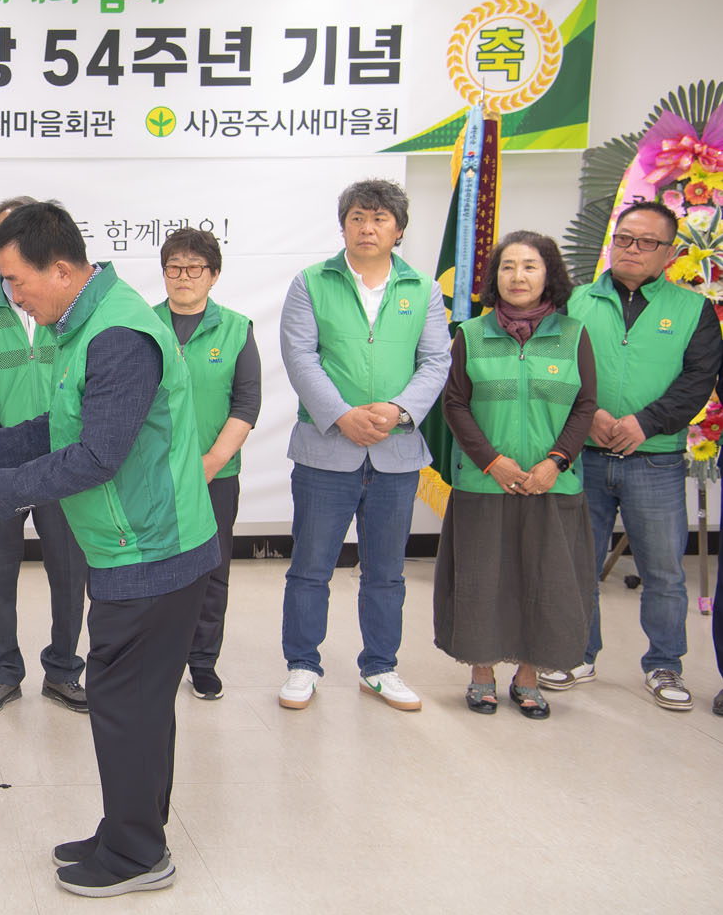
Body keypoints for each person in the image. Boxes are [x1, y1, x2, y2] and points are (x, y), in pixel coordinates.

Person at [0, 201, 219, 898]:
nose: (13, 296)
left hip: (152, 551)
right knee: (137, 707)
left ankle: (136, 856)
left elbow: (97, 455)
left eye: (17, 280)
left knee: (126, 706)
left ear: (61, 270)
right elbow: (65, 423)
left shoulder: (118, 334)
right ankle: (130, 830)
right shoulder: (85, 324)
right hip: (133, 545)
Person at [540, 200, 723, 710]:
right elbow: (550, 363)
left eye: (647, 242)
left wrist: (646, 422)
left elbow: (699, 379)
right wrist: (590, 414)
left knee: (664, 572)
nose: (632, 249)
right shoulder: (573, 301)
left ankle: (664, 664)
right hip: (583, 456)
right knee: (578, 563)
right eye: (624, 238)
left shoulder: (692, 310)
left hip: (655, 460)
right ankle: (578, 653)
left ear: (669, 253)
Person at [278, 178, 451, 712]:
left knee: (386, 572)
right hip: (325, 450)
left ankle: (380, 667)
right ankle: (302, 665)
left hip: (396, 455)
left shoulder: (424, 289)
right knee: (311, 567)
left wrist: (399, 410)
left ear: (399, 230)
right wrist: (342, 415)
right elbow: (300, 356)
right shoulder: (311, 282)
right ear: (344, 226)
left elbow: (435, 361)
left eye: (379, 218)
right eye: (357, 217)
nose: (367, 227)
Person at [434, 232, 597, 720]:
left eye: (529, 266)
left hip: (552, 484)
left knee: (545, 583)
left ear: (549, 274)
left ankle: (528, 678)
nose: (518, 276)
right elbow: (455, 404)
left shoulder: (574, 335)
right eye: (507, 266)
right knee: (481, 580)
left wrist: (555, 462)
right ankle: (481, 674)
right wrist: (493, 461)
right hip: (484, 482)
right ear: (495, 277)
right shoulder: (470, 333)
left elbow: (585, 405)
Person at [0, 196, 89, 716]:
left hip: (63, 461)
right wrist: (1, 448)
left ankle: (63, 669)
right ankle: (4, 670)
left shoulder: (67, 308)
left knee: (69, 571)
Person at [154, 227, 260, 701]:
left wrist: (214, 460)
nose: (183, 277)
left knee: (210, 571)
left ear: (213, 275)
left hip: (215, 475)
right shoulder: (142, 324)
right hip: (152, 474)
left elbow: (247, 403)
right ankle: (158, 656)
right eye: (174, 267)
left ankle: (202, 662)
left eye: (194, 268)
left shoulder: (236, 328)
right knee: (154, 567)